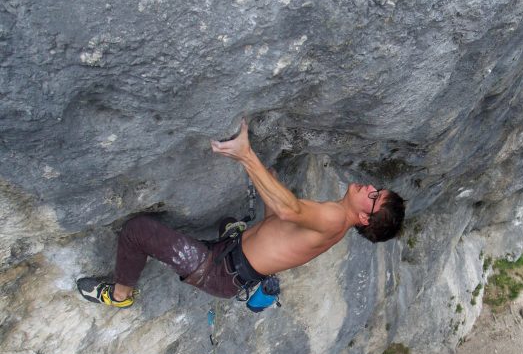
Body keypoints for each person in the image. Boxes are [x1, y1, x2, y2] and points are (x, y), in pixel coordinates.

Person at [77, 119, 406, 308]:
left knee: (137, 231)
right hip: (232, 259)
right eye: (376, 189)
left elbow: (287, 209)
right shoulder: (335, 223)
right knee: (227, 223)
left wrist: (246, 154)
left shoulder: (334, 218)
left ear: (365, 218)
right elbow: (280, 225)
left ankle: (120, 295)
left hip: (218, 271)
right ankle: (228, 233)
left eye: (374, 197)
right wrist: (268, 189)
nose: (369, 188)